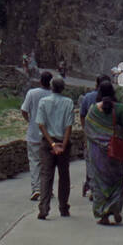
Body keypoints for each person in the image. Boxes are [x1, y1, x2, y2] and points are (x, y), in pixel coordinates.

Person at [84, 80, 123, 225]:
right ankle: (116, 209)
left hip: (99, 155)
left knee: (100, 183)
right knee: (118, 181)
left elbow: (87, 130)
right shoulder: (119, 109)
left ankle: (103, 215)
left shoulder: (93, 110)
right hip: (116, 153)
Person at [36, 75, 74, 219]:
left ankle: (44, 209)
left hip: (47, 143)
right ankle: (63, 207)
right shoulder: (68, 102)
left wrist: (51, 143)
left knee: (46, 175)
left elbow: (41, 124)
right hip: (63, 142)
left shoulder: (43, 102)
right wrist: (62, 145)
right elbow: (68, 126)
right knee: (64, 175)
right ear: (63, 88)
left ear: (51, 87)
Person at [21, 70, 53, 201]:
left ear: (40, 81)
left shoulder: (32, 93)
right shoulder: (54, 95)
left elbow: (24, 110)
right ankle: (47, 189)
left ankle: (36, 188)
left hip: (33, 133)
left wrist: (30, 121)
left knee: (34, 162)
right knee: (48, 164)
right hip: (50, 135)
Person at [79, 74, 111, 197]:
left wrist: (85, 129)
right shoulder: (113, 101)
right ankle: (102, 187)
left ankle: (93, 186)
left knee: (91, 161)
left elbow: (82, 115)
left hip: (91, 136)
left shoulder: (88, 98)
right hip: (108, 138)